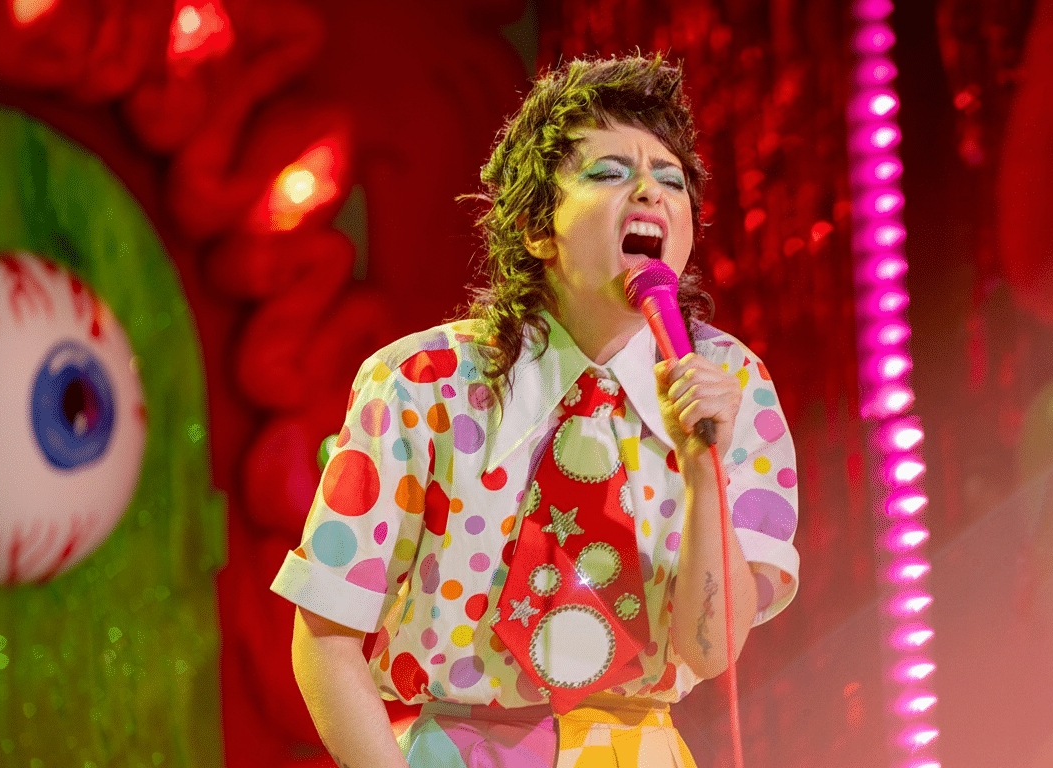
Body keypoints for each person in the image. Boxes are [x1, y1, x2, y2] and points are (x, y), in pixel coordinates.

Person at [271, 54, 800, 768]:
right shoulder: (423, 385)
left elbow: (710, 650)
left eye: (671, 179)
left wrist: (703, 470)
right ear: (536, 228)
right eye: (609, 172)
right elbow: (325, 639)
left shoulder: (732, 383)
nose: (649, 189)